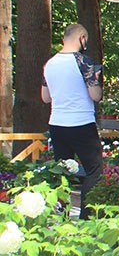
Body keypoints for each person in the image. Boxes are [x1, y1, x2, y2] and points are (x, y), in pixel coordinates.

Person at [41, 23, 105, 200]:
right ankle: (86, 218)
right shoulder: (83, 61)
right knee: (94, 169)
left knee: (62, 170)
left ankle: (62, 213)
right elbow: (95, 95)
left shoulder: (49, 64)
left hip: (57, 122)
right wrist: (95, 80)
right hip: (81, 122)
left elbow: (45, 97)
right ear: (82, 38)